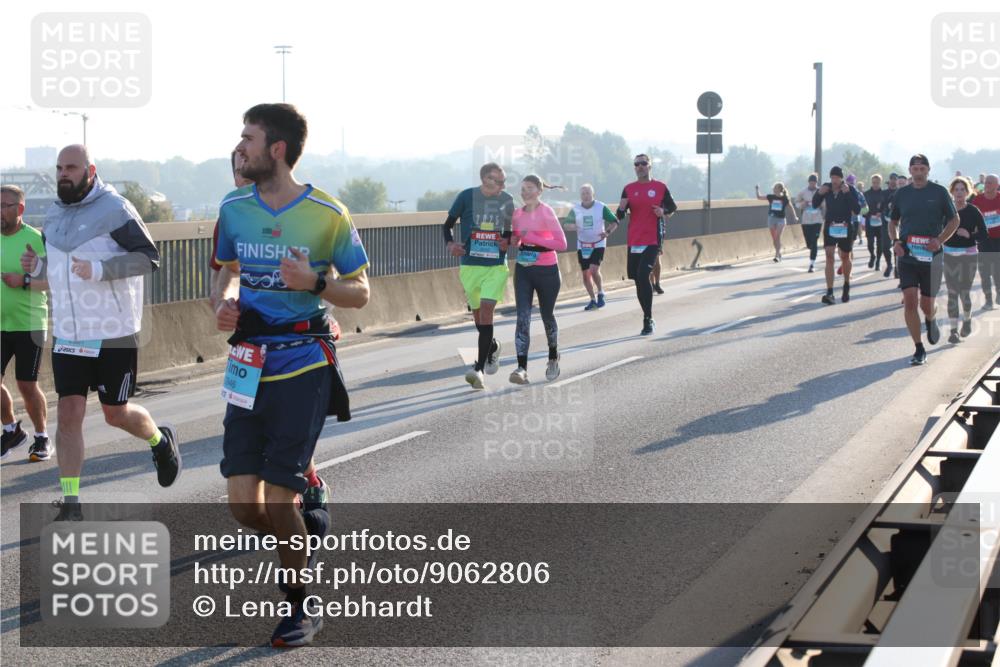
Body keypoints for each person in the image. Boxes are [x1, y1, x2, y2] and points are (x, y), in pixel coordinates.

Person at [214, 103, 370, 647]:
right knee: (242, 505)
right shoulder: (233, 206)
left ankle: (302, 605)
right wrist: (225, 304)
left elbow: (361, 291)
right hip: (247, 361)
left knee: (279, 500)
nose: (241, 146)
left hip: (304, 360)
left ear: (276, 149)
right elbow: (227, 274)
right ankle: (305, 525)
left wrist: (316, 282)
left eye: (248, 137)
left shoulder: (328, 213)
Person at [20, 145, 181, 520]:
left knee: (115, 413)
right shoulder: (56, 215)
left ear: (90, 170)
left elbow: (148, 257)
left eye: (71, 167)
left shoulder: (116, 209)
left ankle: (159, 440)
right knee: (70, 412)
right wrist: (38, 266)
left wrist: (99, 269)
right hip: (70, 334)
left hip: (114, 332)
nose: (63, 173)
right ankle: (71, 502)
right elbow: (57, 275)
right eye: (59, 167)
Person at [444, 163, 515, 389]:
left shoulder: (507, 200)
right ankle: (492, 346)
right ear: (485, 179)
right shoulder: (466, 197)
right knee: (478, 318)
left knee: (486, 312)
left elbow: (509, 230)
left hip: (495, 265)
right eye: (499, 181)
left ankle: (479, 368)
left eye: (504, 181)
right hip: (470, 266)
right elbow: (447, 225)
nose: (503, 186)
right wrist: (451, 244)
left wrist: (508, 240)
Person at [888, 154, 960, 366]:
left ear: (928, 170)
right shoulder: (902, 194)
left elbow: (955, 219)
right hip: (908, 254)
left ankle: (931, 318)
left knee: (926, 304)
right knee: (910, 301)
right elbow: (892, 222)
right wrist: (895, 242)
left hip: (932, 256)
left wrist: (939, 240)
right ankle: (918, 348)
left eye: (922, 169)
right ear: (910, 171)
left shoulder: (938, 192)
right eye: (915, 169)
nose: (918, 173)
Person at [1, 185, 50, 461]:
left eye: (4, 206)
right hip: (0, 323)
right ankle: (12, 431)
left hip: (29, 323)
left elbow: (54, 281)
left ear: (19, 210)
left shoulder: (37, 239)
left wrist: (24, 281)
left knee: (26, 384)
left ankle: (42, 437)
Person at [508, 175, 568, 384]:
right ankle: (521, 368)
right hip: (524, 269)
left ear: (539, 191)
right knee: (522, 316)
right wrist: (515, 239)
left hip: (547, 270)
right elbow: (516, 238)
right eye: (523, 188)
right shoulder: (517, 214)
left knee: (546, 315)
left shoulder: (546, 212)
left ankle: (553, 356)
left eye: (530, 188)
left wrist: (530, 237)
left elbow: (561, 244)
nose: (525, 192)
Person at [617, 154, 677, 335]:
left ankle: (648, 319)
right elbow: (619, 215)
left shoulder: (660, 187)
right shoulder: (628, 189)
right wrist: (620, 209)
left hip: (652, 239)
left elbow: (672, 208)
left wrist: (663, 211)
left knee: (644, 275)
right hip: (634, 240)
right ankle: (647, 314)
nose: (640, 166)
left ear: (650, 166)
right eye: (637, 164)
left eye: (644, 163)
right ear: (634, 168)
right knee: (637, 279)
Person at [943, 176, 985, 343]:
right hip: (949, 254)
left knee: (964, 292)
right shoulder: (946, 210)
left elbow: (983, 234)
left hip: (968, 254)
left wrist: (970, 235)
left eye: (963, 190)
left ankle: (966, 320)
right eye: (956, 189)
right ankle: (953, 330)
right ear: (951, 192)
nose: (959, 193)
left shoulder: (973, 211)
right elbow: (937, 229)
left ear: (968, 192)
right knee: (952, 293)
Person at [564, 183, 618, 310]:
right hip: (583, 245)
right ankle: (592, 300)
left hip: (598, 243)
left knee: (594, 270)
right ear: (580, 196)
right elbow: (566, 224)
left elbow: (615, 221)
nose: (586, 196)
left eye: (588, 193)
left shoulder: (601, 207)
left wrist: (607, 232)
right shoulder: (576, 209)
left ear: (593, 194)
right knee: (585, 274)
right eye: (583, 193)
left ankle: (600, 292)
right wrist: (571, 226)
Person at [813, 166, 862, 304]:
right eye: (832, 177)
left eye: (836, 178)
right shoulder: (826, 188)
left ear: (841, 178)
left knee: (845, 256)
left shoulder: (850, 189)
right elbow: (815, 204)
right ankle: (830, 292)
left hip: (845, 227)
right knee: (829, 256)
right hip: (830, 226)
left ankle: (846, 285)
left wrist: (847, 194)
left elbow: (857, 210)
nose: (834, 180)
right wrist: (818, 193)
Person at [972, 174, 1000, 310]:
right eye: (986, 182)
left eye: (990, 183)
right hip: (984, 240)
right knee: (985, 272)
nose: (987, 185)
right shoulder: (977, 200)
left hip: (999, 240)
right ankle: (988, 300)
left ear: (997, 185)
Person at [755, 181, 797, 262]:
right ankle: (778, 252)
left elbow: (791, 207)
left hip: (781, 219)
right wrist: (757, 189)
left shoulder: (785, 198)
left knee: (777, 236)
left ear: (779, 189)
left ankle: (777, 255)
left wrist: (795, 216)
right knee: (774, 239)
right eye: (773, 188)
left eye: (775, 188)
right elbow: (759, 197)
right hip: (771, 219)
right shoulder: (771, 197)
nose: (773, 189)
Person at [795, 174, 823, 272]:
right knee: (809, 244)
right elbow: (797, 203)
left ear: (816, 182)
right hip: (806, 221)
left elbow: (825, 203)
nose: (812, 184)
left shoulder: (820, 192)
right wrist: (803, 204)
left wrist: (820, 205)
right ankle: (811, 249)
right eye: (811, 182)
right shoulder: (803, 192)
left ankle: (812, 264)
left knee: (814, 241)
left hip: (817, 220)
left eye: (814, 182)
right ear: (808, 182)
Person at [863, 174, 891, 272]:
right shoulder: (866, 194)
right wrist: (867, 215)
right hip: (869, 221)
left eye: (877, 183)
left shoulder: (883, 194)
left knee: (880, 244)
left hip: (881, 222)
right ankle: (872, 255)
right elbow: (863, 208)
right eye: (874, 182)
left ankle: (878, 261)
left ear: (880, 182)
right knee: (870, 243)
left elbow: (886, 207)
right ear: (871, 182)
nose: (875, 184)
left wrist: (881, 213)